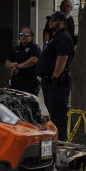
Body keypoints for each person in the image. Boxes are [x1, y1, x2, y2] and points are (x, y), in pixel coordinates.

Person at [37, 11, 73, 140]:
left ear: (62, 22)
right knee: (52, 113)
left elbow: (62, 58)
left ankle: (60, 143)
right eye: (50, 20)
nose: (51, 22)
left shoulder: (62, 37)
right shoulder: (55, 36)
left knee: (58, 115)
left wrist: (55, 78)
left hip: (58, 83)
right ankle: (55, 140)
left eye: (54, 20)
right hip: (51, 82)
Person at [4, 27, 41, 95]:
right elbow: (7, 63)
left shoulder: (34, 47)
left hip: (29, 82)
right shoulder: (16, 49)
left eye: (26, 35)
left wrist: (19, 67)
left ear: (31, 37)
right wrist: (12, 65)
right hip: (16, 82)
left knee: (29, 104)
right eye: (21, 34)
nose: (23, 37)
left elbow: (33, 60)